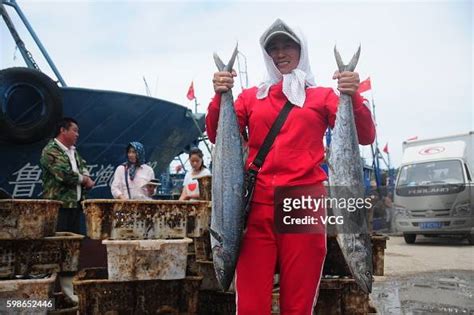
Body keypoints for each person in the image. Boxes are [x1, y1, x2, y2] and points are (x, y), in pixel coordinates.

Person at [206, 19, 376, 314]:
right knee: (250, 305)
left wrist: (353, 95)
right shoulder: (250, 98)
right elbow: (215, 133)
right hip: (255, 208)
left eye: (288, 46)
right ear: (266, 54)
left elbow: (365, 136)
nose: (280, 53)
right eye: (273, 47)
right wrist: (220, 93)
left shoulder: (321, 96)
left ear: (302, 50)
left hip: (302, 205)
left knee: (298, 304)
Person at [40, 117, 95, 234]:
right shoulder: (51, 150)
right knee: (59, 241)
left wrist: (87, 176)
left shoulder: (73, 151)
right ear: (63, 130)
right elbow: (64, 174)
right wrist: (85, 180)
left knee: (74, 242)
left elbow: (83, 165)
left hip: (74, 205)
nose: (77, 134)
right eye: (74, 130)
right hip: (59, 206)